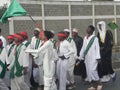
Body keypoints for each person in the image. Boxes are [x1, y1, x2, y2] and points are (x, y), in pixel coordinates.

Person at [78, 25, 102, 90]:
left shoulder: (95, 38)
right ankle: (94, 86)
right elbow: (83, 48)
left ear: (92, 30)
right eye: (87, 28)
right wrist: (80, 56)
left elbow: (97, 48)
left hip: (93, 57)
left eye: (88, 28)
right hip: (87, 57)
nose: (87, 29)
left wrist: (98, 57)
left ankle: (99, 84)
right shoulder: (85, 38)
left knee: (93, 71)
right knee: (89, 72)